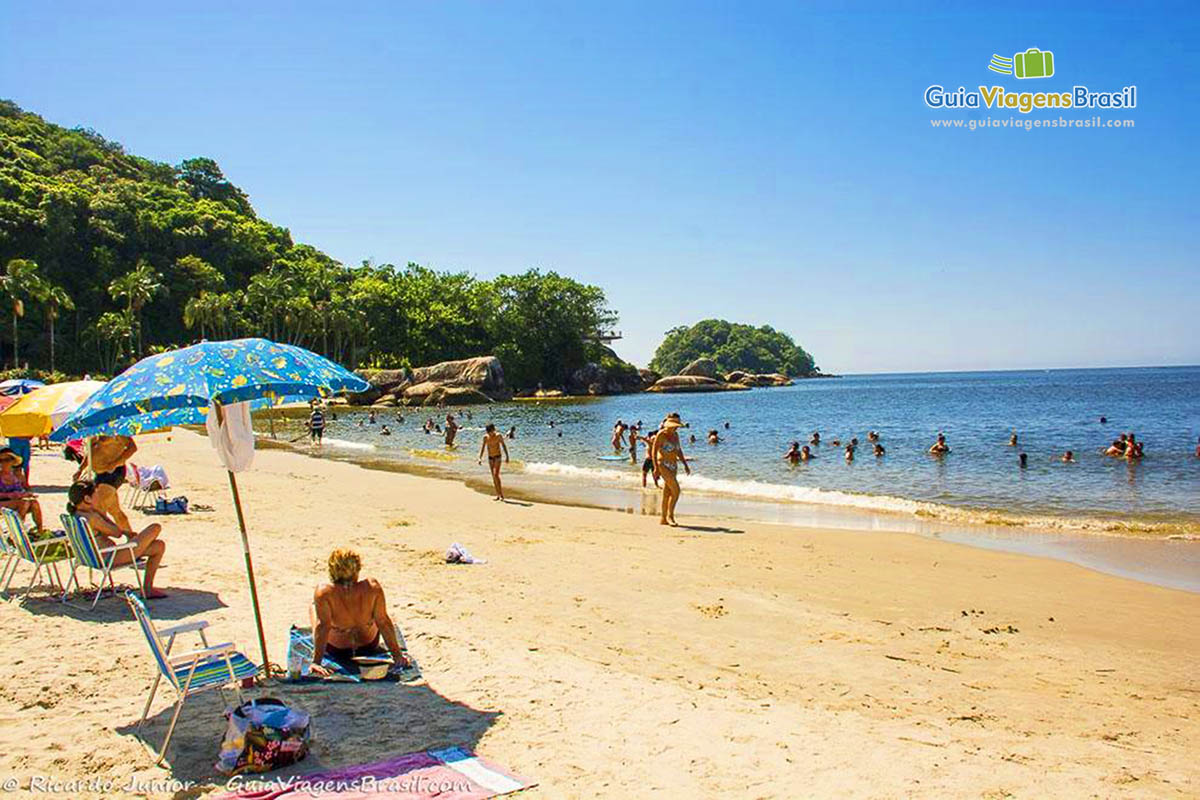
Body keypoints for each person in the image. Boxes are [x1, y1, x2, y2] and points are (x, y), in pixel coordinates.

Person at [310, 549, 410, 677]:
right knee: (381, 615)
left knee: (313, 608)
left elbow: (323, 626)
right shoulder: (372, 586)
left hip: (337, 649)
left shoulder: (324, 592)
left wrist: (316, 662)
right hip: (368, 645)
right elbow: (383, 622)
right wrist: (397, 656)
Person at [66, 479, 166, 598]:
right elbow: (116, 533)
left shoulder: (76, 515)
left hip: (93, 557)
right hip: (109, 558)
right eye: (96, 494)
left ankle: (148, 589)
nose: (98, 496)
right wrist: (101, 512)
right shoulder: (92, 518)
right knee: (155, 528)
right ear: (87, 499)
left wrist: (126, 532)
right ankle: (147, 589)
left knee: (158, 546)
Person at [89, 435, 137, 532]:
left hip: (114, 472)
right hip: (99, 474)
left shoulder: (116, 431)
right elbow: (89, 454)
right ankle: (130, 535)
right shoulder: (93, 431)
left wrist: (115, 463)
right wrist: (81, 469)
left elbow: (132, 447)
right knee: (115, 511)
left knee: (99, 506)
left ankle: (101, 538)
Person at [651, 414, 690, 526]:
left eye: (677, 426)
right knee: (676, 491)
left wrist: (685, 464)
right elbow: (653, 451)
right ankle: (670, 516)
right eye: (674, 425)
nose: (676, 428)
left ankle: (663, 518)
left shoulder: (676, 435)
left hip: (673, 466)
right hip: (662, 464)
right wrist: (655, 468)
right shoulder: (661, 434)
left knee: (667, 493)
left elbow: (678, 451)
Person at [0, 449, 41, 529]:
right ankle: (17, 530)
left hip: (17, 501)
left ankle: (40, 530)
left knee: (34, 503)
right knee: (23, 503)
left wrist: (27, 493)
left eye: (6, 460)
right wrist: (10, 495)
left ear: (13, 461)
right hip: (2, 502)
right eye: (1, 460)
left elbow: (26, 488)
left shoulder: (18, 476)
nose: (3, 463)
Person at [477, 423, 510, 501]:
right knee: (493, 477)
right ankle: (498, 495)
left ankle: (501, 494)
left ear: (493, 430)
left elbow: (503, 446)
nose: (490, 434)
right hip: (490, 458)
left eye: (491, 432)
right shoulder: (485, 437)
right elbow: (483, 448)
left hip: (498, 457)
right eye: (488, 432)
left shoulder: (498, 436)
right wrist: (480, 458)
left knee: (496, 475)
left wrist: (507, 456)